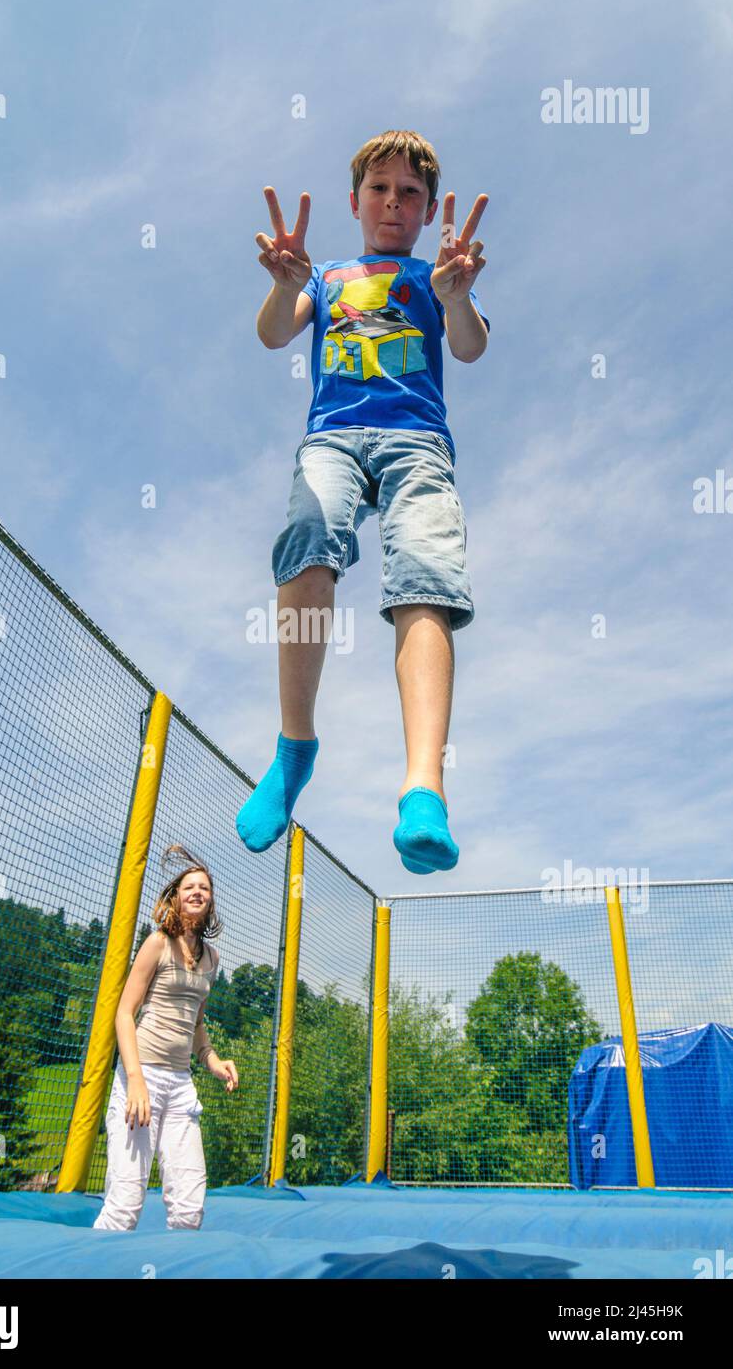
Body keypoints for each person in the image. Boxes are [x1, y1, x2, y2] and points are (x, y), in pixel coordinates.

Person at [235, 129, 490, 873]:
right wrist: (285, 286)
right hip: (335, 437)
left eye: (408, 193)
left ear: (426, 208)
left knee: (427, 578)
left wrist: (458, 297)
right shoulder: (332, 275)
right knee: (307, 539)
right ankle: (293, 750)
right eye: (380, 188)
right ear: (356, 201)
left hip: (417, 443)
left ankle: (423, 789)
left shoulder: (437, 276)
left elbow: (470, 347)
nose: (392, 202)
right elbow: (273, 334)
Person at [93, 845, 238, 1232]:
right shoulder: (158, 943)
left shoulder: (211, 959)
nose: (197, 892)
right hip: (141, 1081)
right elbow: (125, 1012)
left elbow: (196, 1028)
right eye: (189, 886)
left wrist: (215, 1061)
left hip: (180, 1086)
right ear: (175, 897)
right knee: (125, 1204)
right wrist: (135, 1080)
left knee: (190, 1207)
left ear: (210, 902)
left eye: (204, 888)